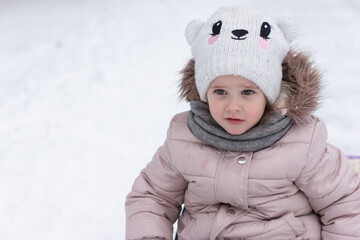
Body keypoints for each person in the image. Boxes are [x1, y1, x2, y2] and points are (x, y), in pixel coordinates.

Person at [125, 6, 360, 240]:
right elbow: (152, 197)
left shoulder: (302, 144)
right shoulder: (184, 139)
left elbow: (345, 206)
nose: (233, 106)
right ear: (204, 93)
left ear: (270, 95)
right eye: (220, 91)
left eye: (247, 92)